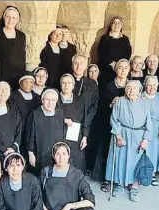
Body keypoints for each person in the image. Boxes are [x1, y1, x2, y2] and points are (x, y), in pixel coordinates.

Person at [105, 81, 152, 202]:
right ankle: (120, 184)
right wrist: (119, 136)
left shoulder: (144, 104)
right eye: (129, 88)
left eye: (134, 88)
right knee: (120, 160)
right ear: (125, 89)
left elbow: (149, 124)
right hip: (122, 134)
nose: (131, 91)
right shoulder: (120, 101)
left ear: (139, 90)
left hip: (138, 136)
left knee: (136, 162)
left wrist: (146, 139)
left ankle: (134, 187)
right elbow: (114, 119)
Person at [95, 59, 129, 191]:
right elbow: (100, 105)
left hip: (125, 125)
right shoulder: (107, 85)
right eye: (120, 67)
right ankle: (106, 179)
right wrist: (110, 104)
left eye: (126, 68)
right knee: (106, 150)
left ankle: (121, 179)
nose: (123, 70)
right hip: (108, 123)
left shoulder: (132, 85)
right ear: (116, 69)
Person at [26, 89, 65, 175]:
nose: (50, 103)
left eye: (53, 100)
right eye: (47, 100)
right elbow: (30, 135)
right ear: (42, 100)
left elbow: (63, 133)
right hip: (40, 153)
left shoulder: (60, 113)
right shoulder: (35, 114)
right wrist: (30, 153)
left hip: (56, 153)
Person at [0, 5, 26, 90]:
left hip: (18, 77)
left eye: (14, 18)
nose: (11, 20)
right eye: (8, 17)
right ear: (4, 18)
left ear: (18, 20)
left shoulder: (22, 36)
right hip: (2, 76)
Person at [59, 74, 88, 173]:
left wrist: (85, 136)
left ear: (73, 85)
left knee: (77, 161)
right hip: (59, 133)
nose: (66, 85)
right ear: (60, 85)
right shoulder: (55, 99)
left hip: (76, 135)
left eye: (69, 83)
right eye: (64, 83)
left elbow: (84, 119)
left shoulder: (79, 100)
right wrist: (63, 120)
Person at [142, 76, 159, 186]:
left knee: (154, 151)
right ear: (145, 85)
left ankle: (152, 174)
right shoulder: (140, 96)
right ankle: (140, 173)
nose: (152, 88)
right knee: (142, 150)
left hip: (156, 127)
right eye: (149, 85)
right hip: (142, 126)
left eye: (154, 85)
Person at [97, 16, 132, 85]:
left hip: (121, 69)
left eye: (119, 23)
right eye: (114, 23)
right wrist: (111, 63)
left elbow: (128, 53)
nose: (117, 25)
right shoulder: (104, 38)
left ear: (121, 25)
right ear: (111, 25)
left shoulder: (125, 39)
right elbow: (101, 53)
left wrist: (119, 64)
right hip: (105, 68)